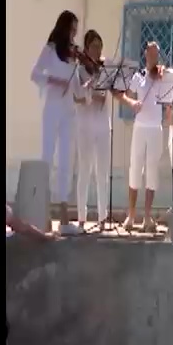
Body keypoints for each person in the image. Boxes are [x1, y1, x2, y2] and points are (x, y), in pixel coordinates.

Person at [30, 10, 82, 236]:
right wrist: (54, 80)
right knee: (47, 158)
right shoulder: (51, 50)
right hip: (52, 110)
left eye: (75, 31)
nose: (73, 35)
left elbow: (77, 89)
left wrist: (88, 88)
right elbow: (35, 74)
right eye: (71, 30)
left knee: (65, 163)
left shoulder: (73, 56)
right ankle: (43, 214)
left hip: (69, 112)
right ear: (64, 28)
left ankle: (63, 217)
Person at [115, 41, 165, 232]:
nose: (154, 57)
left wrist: (163, 76)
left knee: (152, 170)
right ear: (145, 54)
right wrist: (131, 103)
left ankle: (147, 216)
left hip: (156, 128)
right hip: (140, 127)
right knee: (135, 168)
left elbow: (168, 98)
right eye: (151, 53)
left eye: (156, 54)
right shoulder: (140, 76)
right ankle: (131, 215)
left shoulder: (162, 76)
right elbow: (121, 92)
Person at [74, 29, 110, 232]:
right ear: (86, 49)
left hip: (103, 125)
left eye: (99, 47)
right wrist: (90, 94)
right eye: (94, 47)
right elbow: (76, 97)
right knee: (85, 171)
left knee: (102, 173)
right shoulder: (79, 71)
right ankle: (81, 217)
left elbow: (105, 95)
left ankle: (103, 217)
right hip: (85, 126)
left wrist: (100, 83)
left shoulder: (104, 70)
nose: (97, 51)